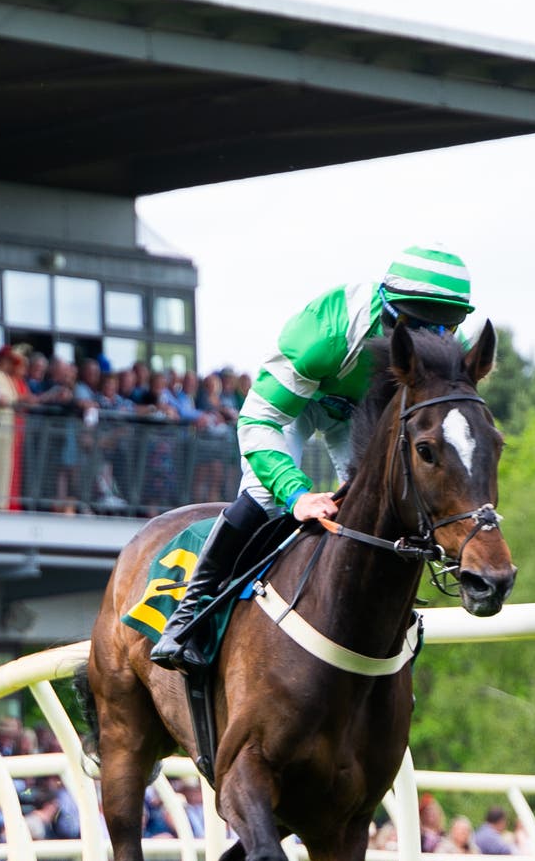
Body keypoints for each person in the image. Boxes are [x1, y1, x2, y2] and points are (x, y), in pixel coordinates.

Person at [150, 245, 480, 668]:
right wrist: (296, 494)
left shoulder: (458, 345)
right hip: (299, 403)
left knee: (379, 504)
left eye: (439, 331)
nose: (426, 342)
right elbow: (258, 422)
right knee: (265, 498)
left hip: (363, 412)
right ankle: (188, 615)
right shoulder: (323, 333)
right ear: (386, 306)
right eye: (414, 326)